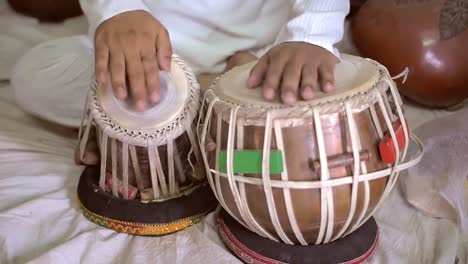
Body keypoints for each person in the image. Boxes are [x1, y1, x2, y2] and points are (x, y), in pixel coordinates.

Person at [11, 0, 349, 127]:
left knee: (323, 98)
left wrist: (311, 35)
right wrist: (116, 11)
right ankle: (205, 93)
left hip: (268, 50)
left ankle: (160, 119)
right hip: (155, 51)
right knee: (35, 75)